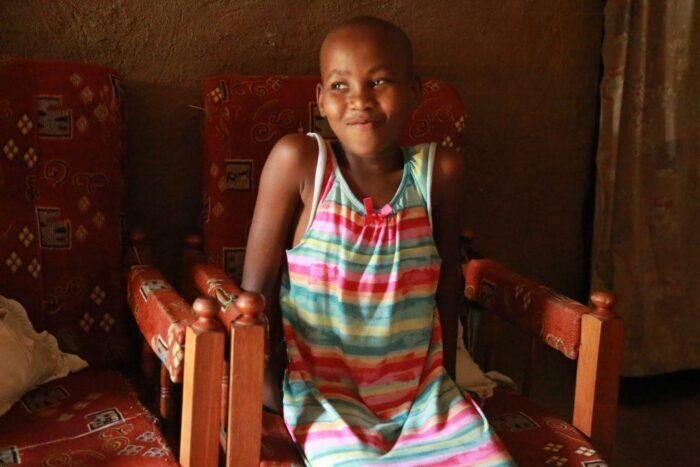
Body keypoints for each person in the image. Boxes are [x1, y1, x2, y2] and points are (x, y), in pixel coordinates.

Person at [242, 15, 514, 466]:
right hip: (327, 396)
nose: (359, 101)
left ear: (414, 91)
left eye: (380, 81)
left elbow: (447, 279)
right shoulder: (302, 164)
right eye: (340, 85)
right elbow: (255, 293)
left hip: (420, 395)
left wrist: (446, 378)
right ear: (321, 100)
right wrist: (267, 385)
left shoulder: (437, 173)